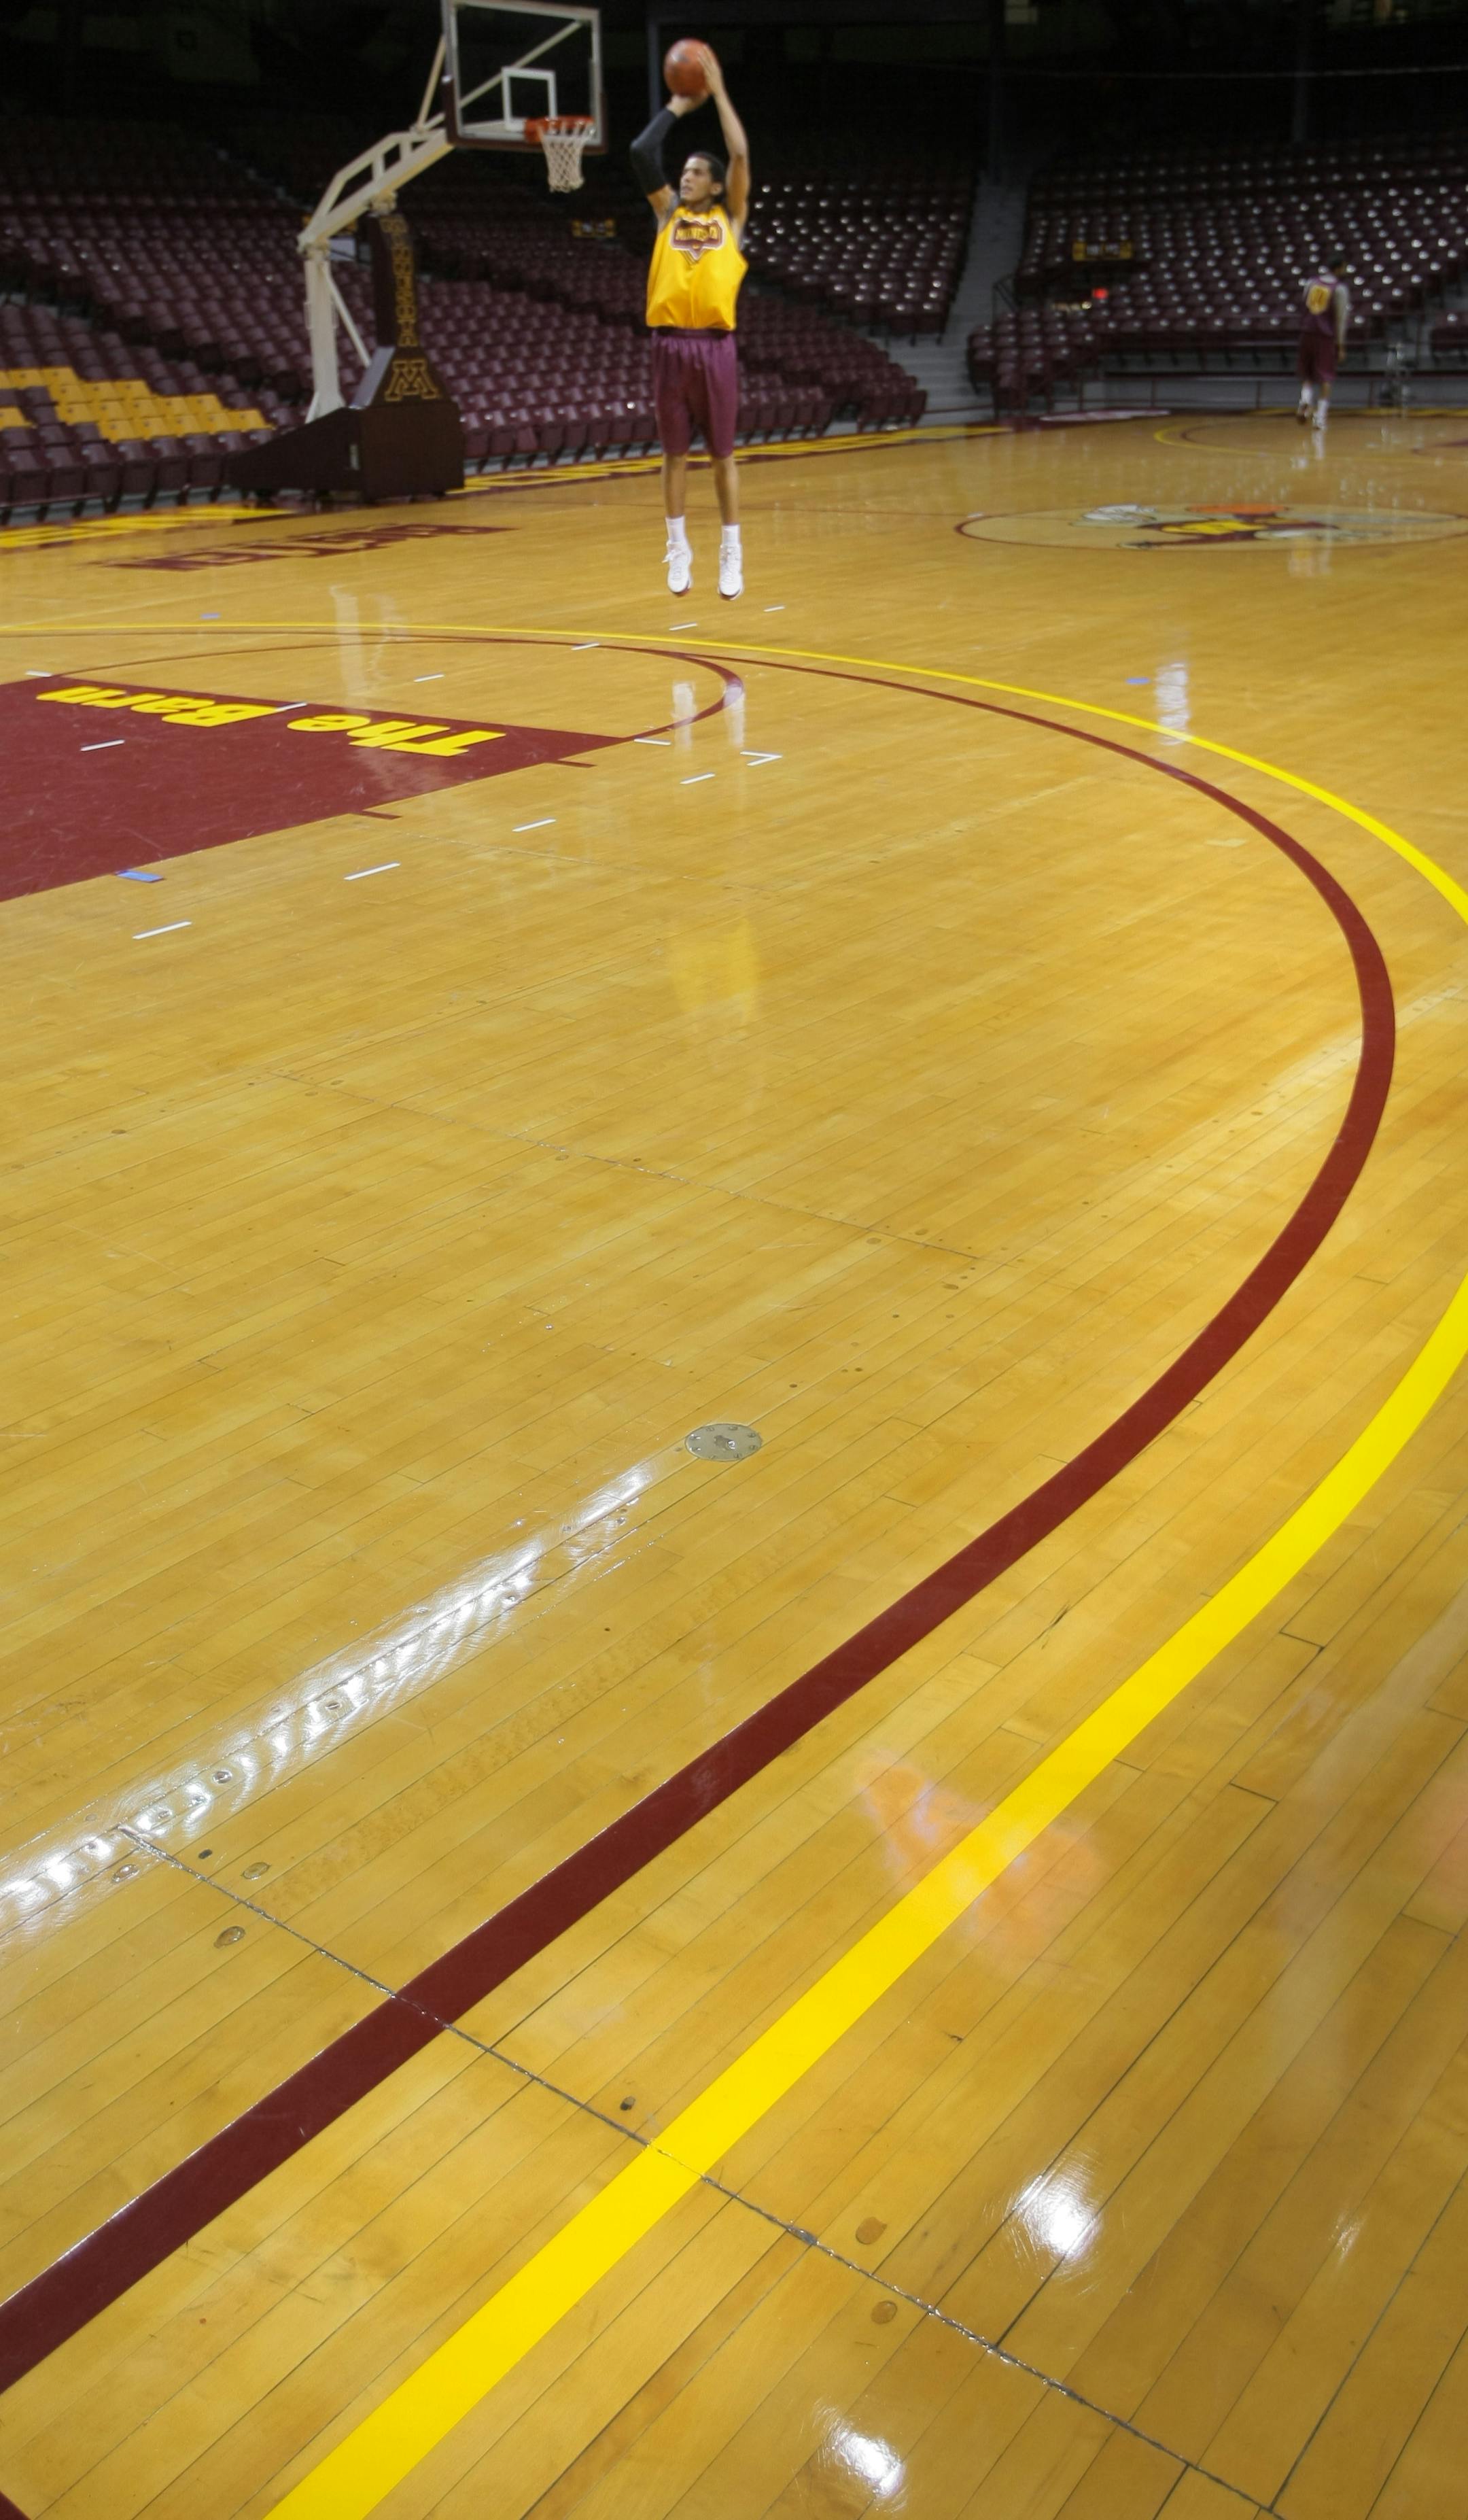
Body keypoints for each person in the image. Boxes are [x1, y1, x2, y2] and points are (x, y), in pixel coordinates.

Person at [630, 50, 750, 600]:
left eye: (699, 171)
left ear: (719, 186)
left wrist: (719, 92)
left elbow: (740, 152)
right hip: (669, 346)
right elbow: (641, 151)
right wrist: (677, 106)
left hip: (715, 347)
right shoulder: (667, 214)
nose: (688, 175)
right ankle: (678, 544)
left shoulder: (731, 219)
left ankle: (732, 548)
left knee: (722, 455)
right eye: (686, 171)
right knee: (673, 453)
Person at [1297, 254, 1350, 435]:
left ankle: (1304, 400)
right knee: (1326, 377)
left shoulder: (1311, 283)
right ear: (1338, 268)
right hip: (1324, 336)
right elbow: (1341, 319)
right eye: (1344, 268)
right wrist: (1341, 345)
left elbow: (1303, 305)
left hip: (1306, 332)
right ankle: (1320, 417)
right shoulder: (1339, 289)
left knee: (1307, 374)